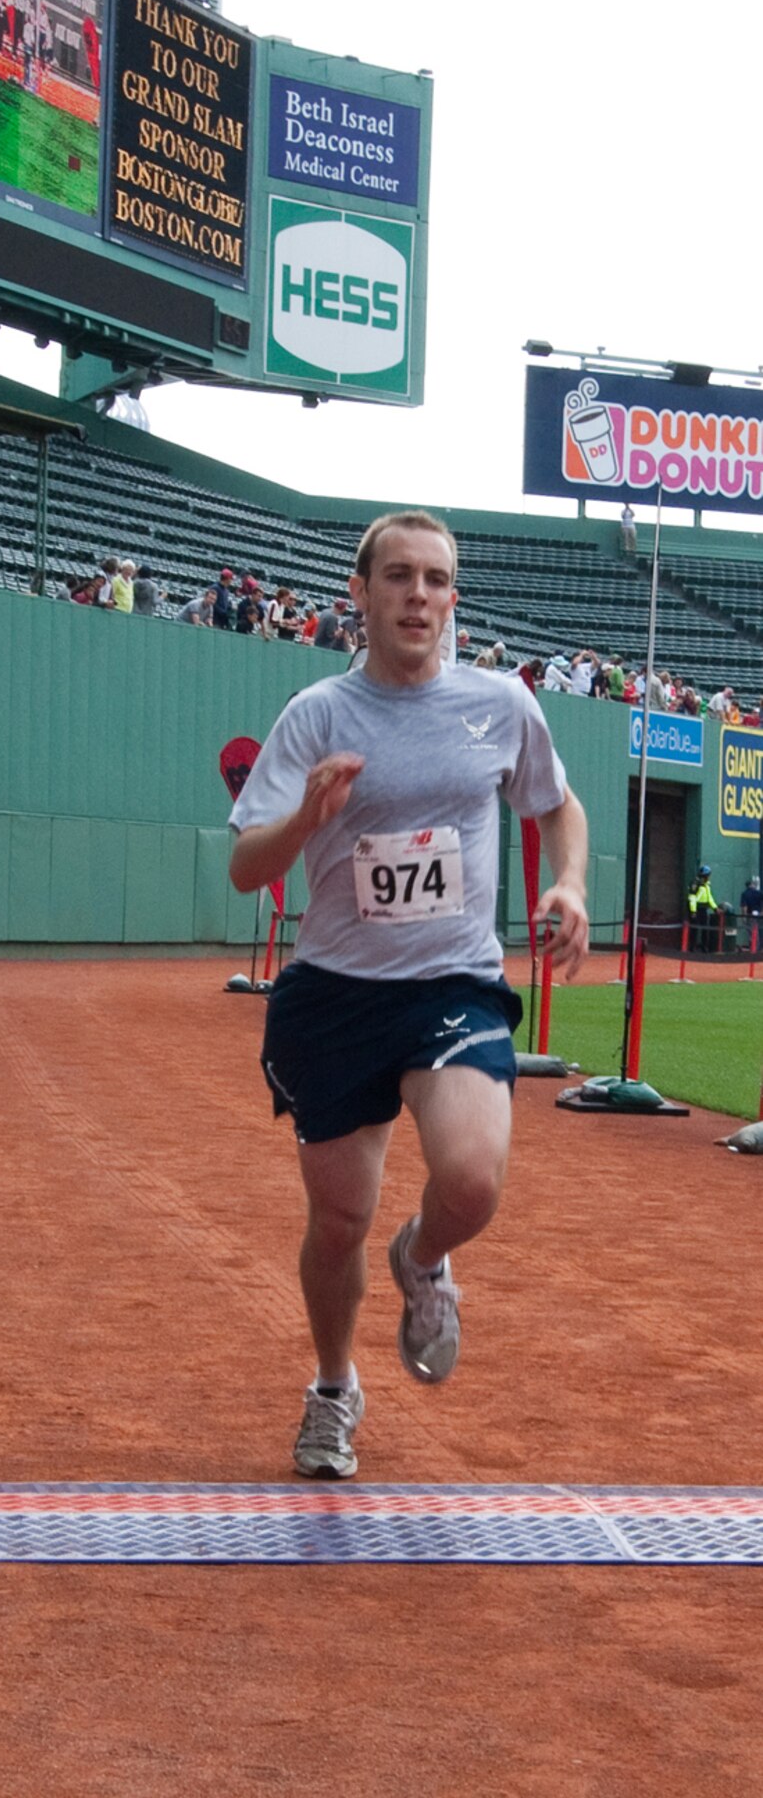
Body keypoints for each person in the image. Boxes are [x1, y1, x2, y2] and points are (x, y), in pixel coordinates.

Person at [227, 510, 588, 1480]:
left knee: (470, 1176)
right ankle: (333, 1387)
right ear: (360, 592)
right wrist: (309, 810)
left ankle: (423, 1256)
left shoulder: (500, 705)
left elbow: (556, 804)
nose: (417, 594)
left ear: (452, 598)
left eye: (434, 578)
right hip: (336, 992)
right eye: (397, 576)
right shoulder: (315, 714)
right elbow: (241, 863)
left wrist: (568, 883)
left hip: (450, 981)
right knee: (337, 1218)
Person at [688, 865, 718, 953]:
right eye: (708, 875)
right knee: (694, 929)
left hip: (704, 909)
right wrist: (693, 911)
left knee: (705, 928)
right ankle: (692, 947)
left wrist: (715, 908)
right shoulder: (695, 884)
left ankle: (704, 947)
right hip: (696, 909)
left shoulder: (706, 885)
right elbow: (692, 898)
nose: (709, 877)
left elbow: (710, 898)